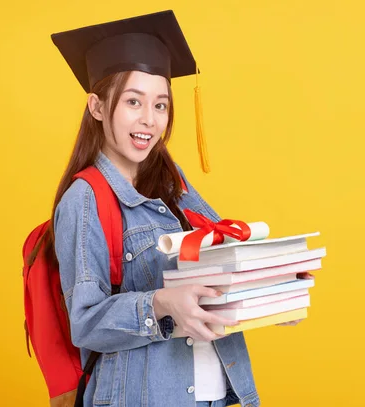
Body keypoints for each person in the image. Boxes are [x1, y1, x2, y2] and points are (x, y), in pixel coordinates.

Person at [47, 10, 263, 407]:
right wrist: (159, 304)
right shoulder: (86, 198)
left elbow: (213, 268)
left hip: (215, 394)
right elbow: (86, 321)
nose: (149, 119)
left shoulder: (172, 183)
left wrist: (270, 290)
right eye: (133, 101)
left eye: (161, 105)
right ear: (96, 107)